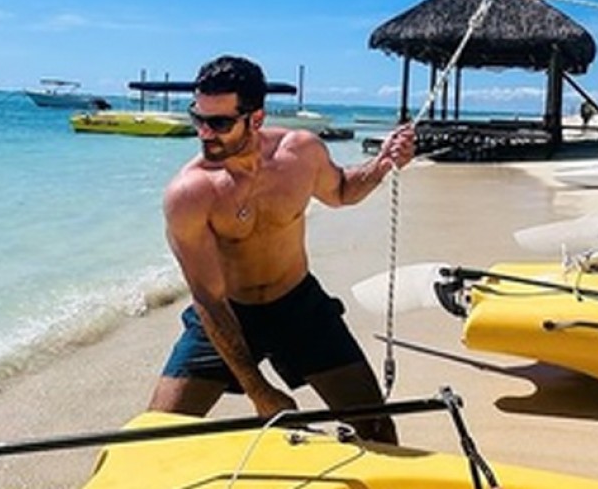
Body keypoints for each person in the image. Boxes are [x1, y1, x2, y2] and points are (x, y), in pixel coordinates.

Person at [148, 55, 414, 444]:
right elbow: (209, 299)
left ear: (255, 118)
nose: (204, 133)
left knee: (378, 428)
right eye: (198, 119)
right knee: (155, 437)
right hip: (227, 313)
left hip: (298, 305)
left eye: (219, 123)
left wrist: (383, 162)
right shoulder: (190, 193)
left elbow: (341, 191)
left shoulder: (300, 153)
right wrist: (259, 392)